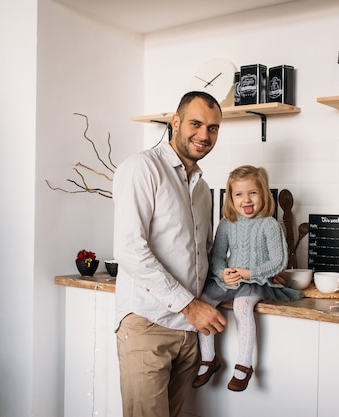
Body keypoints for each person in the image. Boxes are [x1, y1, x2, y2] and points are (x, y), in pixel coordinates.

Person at [112, 91, 228, 417]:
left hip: (188, 334)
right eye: (196, 123)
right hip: (147, 326)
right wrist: (190, 306)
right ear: (175, 122)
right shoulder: (141, 168)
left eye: (213, 128)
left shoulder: (203, 188)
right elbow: (130, 250)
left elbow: (202, 252)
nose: (204, 135)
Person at [192, 165, 303, 392]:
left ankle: (244, 364)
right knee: (202, 302)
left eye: (253, 192)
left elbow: (278, 262)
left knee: (243, 307)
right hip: (231, 280)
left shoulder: (270, 224)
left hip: (257, 281)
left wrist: (248, 274)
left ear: (264, 194)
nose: (246, 200)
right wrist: (223, 272)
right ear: (230, 198)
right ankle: (208, 358)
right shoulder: (226, 225)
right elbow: (216, 258)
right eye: (239, 194)